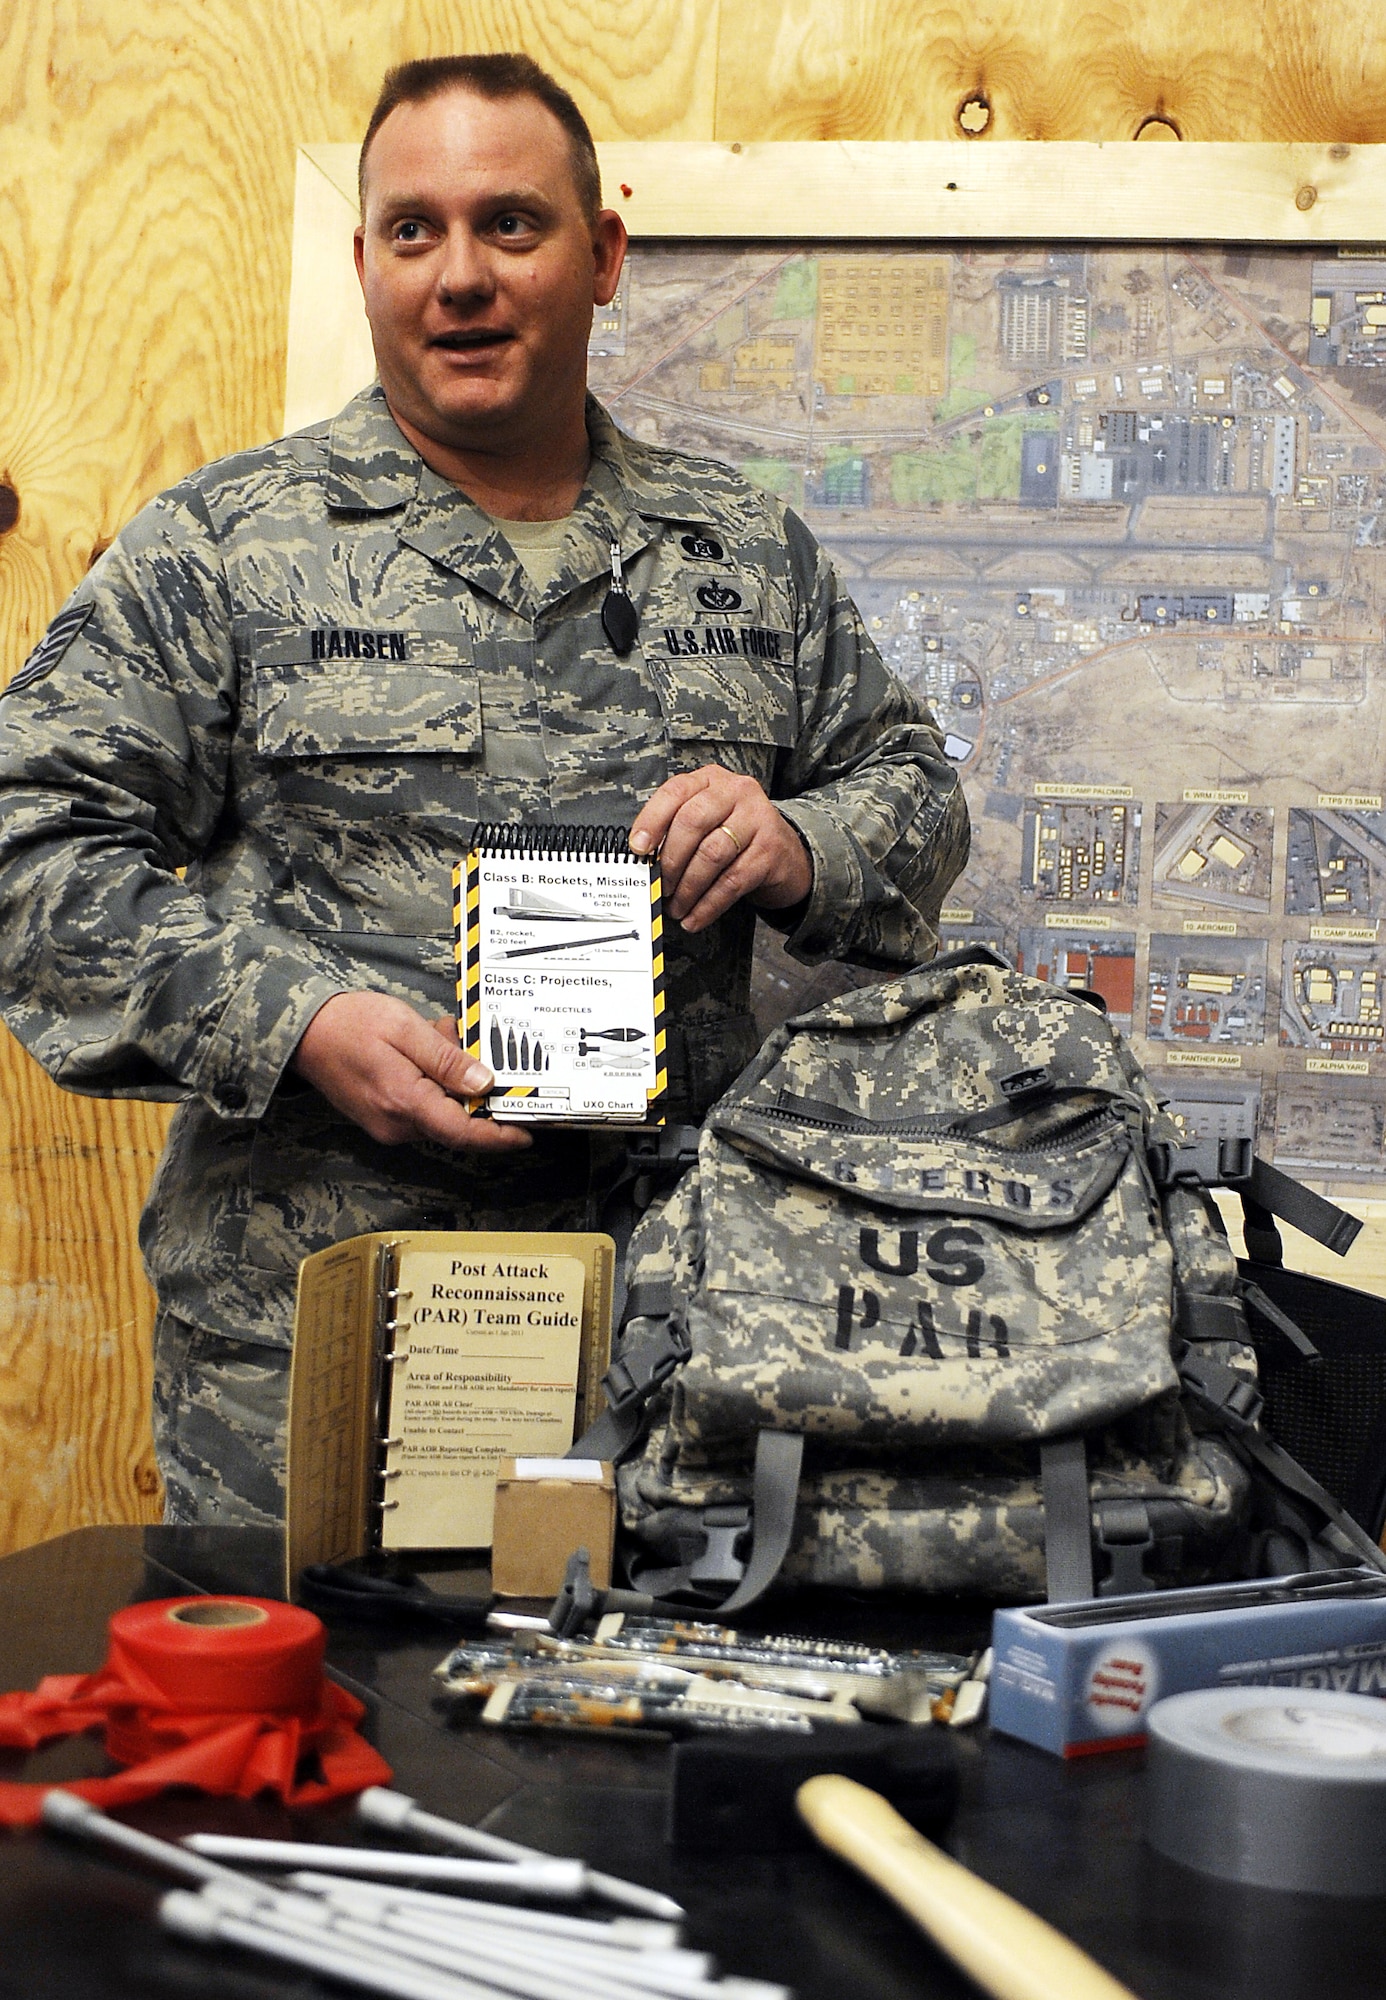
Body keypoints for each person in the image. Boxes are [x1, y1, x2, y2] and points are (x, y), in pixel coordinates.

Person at [0, 54, 969, 1526]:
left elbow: (912, 790)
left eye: (511, 224)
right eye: (414, 230)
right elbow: (29, 841)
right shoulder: (222, 547)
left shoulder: (741, 552)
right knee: (322, 1738)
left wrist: (797, 838)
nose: (459, 275)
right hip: (313, 1350)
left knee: (621, 1738)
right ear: (368, 262)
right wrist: (298, 1020)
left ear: (604, 257)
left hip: (673, 1332)